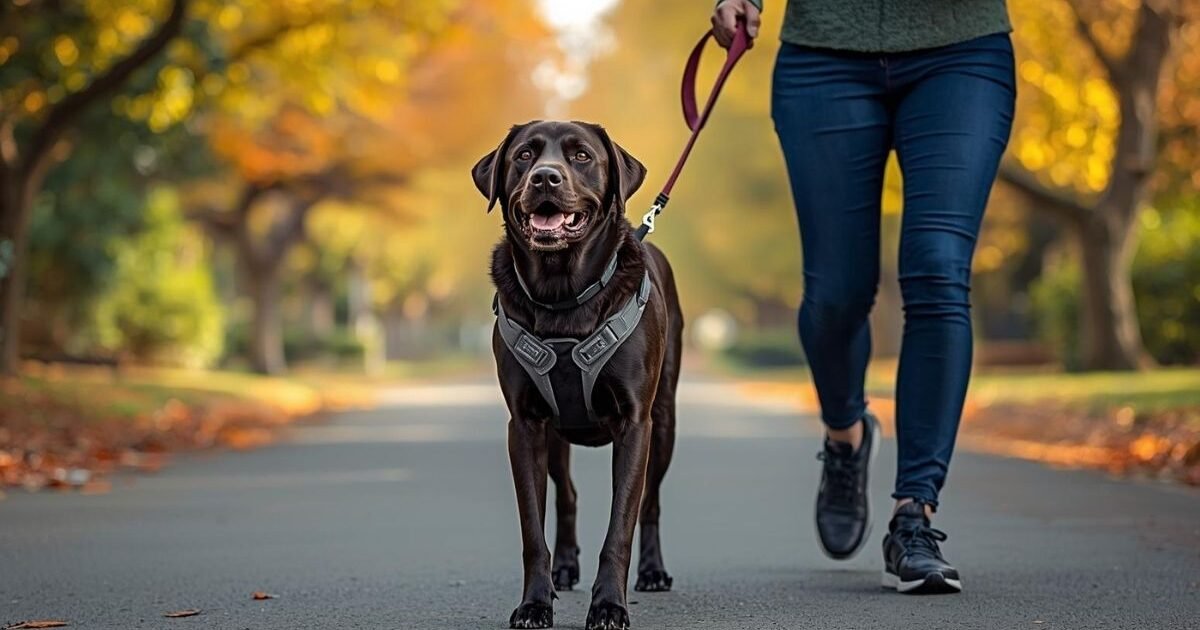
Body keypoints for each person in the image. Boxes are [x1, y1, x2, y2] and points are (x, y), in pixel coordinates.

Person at [710, 0, 1015, 594]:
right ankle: (845, 435)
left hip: (962, 46)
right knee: (837, 294)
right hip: (824, 54)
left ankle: (914, 517)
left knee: (938, 268)